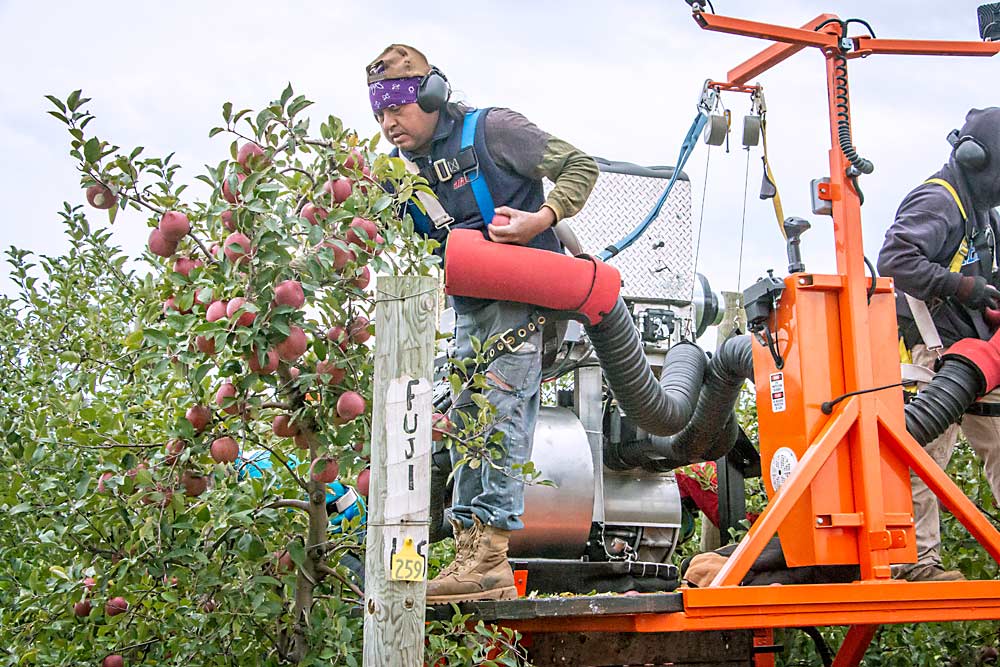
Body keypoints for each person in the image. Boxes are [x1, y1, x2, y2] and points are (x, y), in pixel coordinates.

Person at [366, 44, 598, 603]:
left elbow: (580, 166)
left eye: (398, 106)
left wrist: (540, 218)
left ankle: (491, 560)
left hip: (523, 299)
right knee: (466, 418)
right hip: (469, 307)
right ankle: (469, 549)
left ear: (432, 95)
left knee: (499, 414)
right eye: (378, 112)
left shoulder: (492, 130)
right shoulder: (400, 173)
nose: (388, 121)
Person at [877, 107, 1000, 582]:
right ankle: (915, 564)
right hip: (935, 352)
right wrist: (962, 289)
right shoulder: (938, 200)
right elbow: (895, 259)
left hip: (977, 353)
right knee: (922, 455)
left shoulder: (983, 213)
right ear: (977, 159)